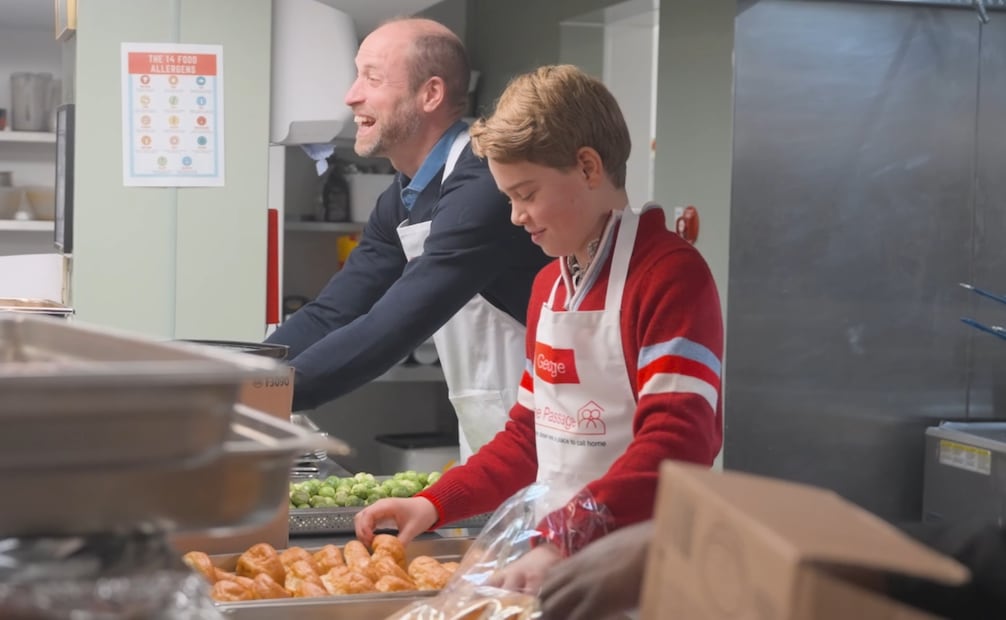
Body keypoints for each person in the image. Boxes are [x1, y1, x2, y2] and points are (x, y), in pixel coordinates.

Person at [355, 64, 725, 594]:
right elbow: (528, 437)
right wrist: (435, 501)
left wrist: (564, 540)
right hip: (554, 556)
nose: (515, 216)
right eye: (508, 198)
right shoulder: (550, 284)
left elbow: (678, 444)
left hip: (637, 570)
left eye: (526, 193)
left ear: (589, 167)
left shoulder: (669, 274)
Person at [266, 18, 550, 460]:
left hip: (557, 429)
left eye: (371, 77)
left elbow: (394, 324)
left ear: (430, 94)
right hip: (492, 431)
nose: (351, 95)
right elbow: (334, 312)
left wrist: (259, 399)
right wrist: (241, 375)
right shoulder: (404, 194)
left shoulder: (483, 183)